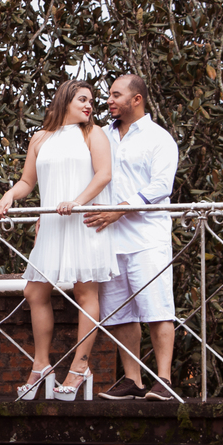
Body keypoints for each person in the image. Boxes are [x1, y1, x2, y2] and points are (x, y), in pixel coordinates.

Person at [0, 80, 117, 401]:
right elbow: (27, 181)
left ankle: (80, 367)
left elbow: (104, 174)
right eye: (82, 99)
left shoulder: (94, 133)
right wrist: (9, 195)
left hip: (83, 222)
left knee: (85, 291)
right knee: (34, 291)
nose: (89, 105)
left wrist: (77, 201)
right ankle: (41, 365)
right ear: (65, 100)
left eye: (91, 101)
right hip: (51, 224)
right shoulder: (40, 138)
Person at [85, 74, 179, 401]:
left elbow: (161, 186)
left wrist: (120, 210)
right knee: (121, 312)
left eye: (116, 95)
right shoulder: (100, 135)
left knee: (157, 308)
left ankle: (164, 381)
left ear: (136, 99)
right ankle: (132, 380)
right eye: (109, 95)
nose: (108, 100)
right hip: (109, 239)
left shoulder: (159, 138)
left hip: (147, 238)